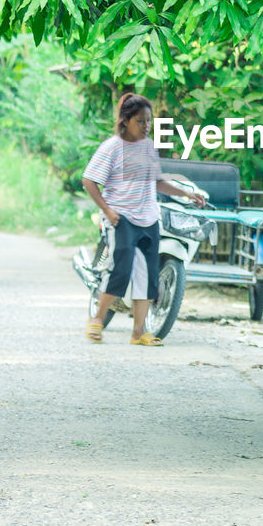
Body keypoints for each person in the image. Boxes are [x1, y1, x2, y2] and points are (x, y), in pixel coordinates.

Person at [82, 93, 204, 346]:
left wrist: (187, 194)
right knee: (121, 268)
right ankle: (97, 320)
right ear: (126, 121)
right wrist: (108, 211)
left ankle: (139, 333)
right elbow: (89, 180)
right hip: (121, 217)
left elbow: (158, 182)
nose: (146, 126)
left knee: (148, 275)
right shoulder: (112, 147)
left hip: (148, 217)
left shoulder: (148, 147)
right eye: (141, 121)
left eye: (149, 121)